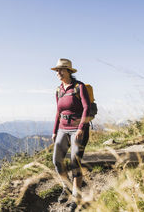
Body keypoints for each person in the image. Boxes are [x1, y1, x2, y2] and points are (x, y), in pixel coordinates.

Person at [51, 58, 90, 210]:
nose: (58, 73)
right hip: (62, 128)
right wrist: (54, 131)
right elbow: (58, 112)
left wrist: (81, 127)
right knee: (56, 160)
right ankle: (66, 187)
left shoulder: (79, 87)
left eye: (61, 70)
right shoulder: (58, 90)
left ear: (69, 71)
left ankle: (76, 196)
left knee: (75, 162)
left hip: (77, 130)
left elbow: (86, 108)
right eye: (57, 70)